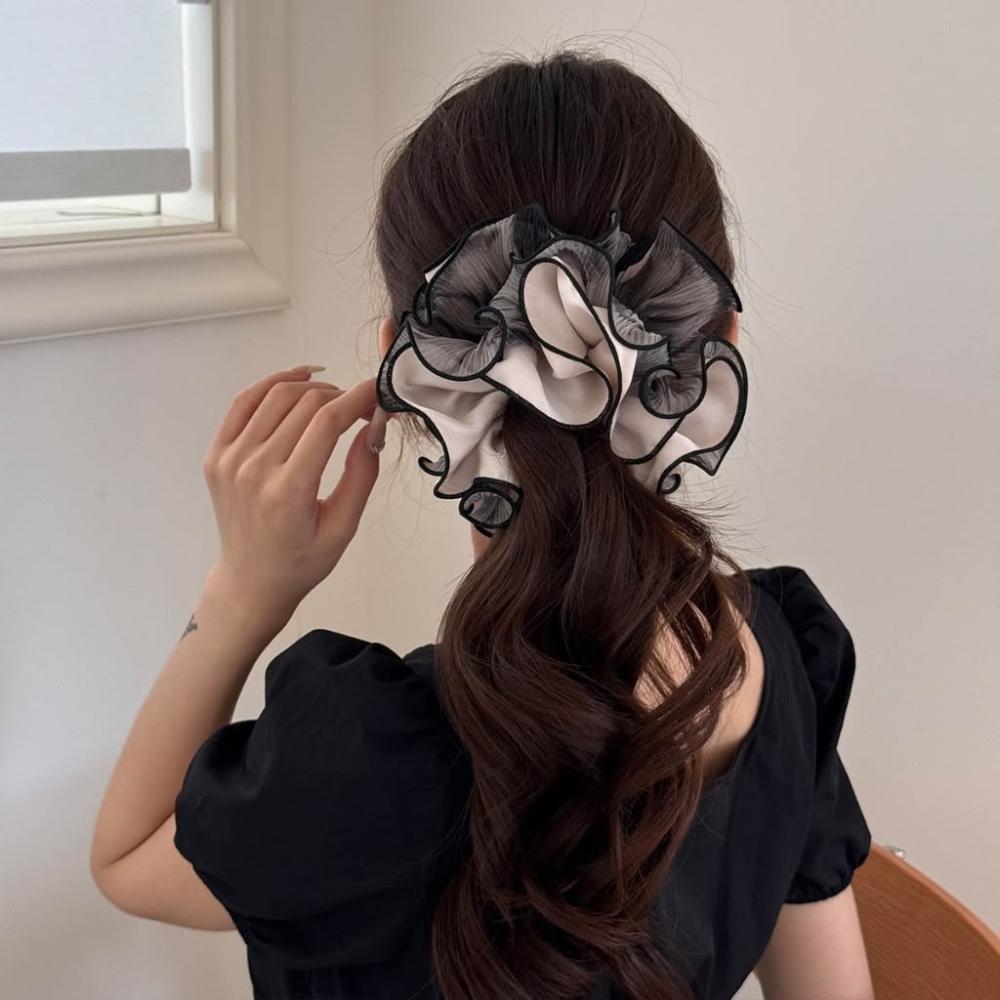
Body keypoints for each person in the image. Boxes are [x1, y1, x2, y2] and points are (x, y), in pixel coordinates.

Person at [89, 50, 874, 1000]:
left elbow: (128, 855)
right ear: (715, 353)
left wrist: (243, 593)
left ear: (407, 366)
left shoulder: (364, 766)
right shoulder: (780, 660)